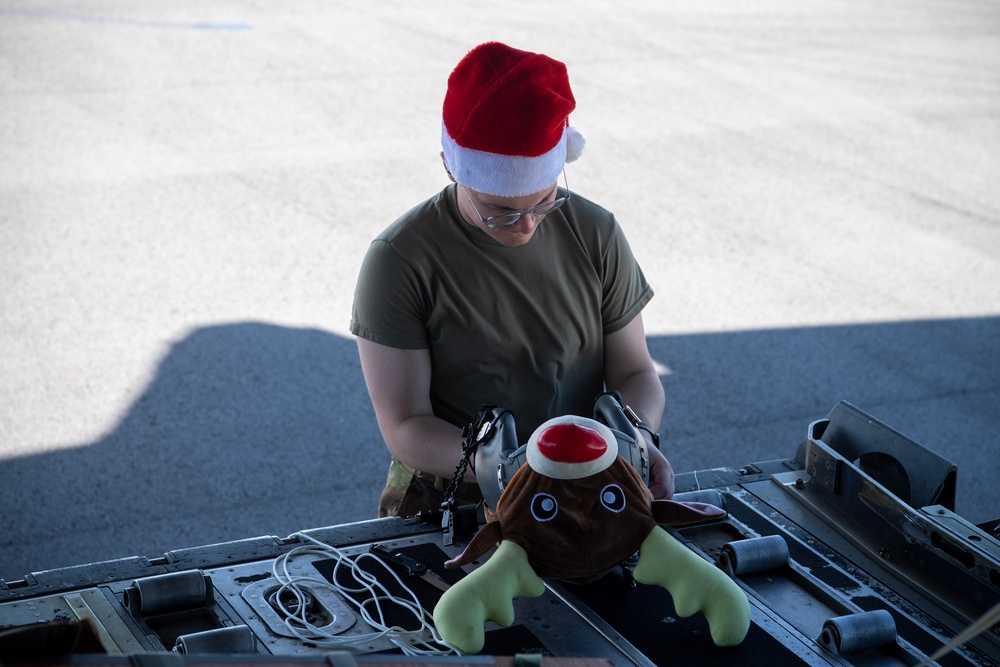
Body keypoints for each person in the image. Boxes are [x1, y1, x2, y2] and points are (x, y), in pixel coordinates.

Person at [350, 41, 674, 518]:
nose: (525, 225)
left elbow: (636, 373)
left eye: (544, 201)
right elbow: (406, 424)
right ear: (450, 164)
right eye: (500, 211)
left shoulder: (595, 232)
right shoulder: (399, 261)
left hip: (587, 480)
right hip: (451, 499)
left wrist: (636, 438)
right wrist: (506, 468)